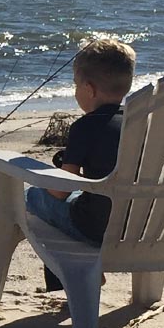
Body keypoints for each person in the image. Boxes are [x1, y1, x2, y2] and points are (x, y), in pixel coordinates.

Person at [25, 38, 135, 248]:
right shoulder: (141, 123)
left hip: (94, 228)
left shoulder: (84, 127)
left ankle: (74, 273)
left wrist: (44, 184)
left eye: (76, 85)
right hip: (136, 227)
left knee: (31, 197)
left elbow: (61, 191)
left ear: (89, 89)